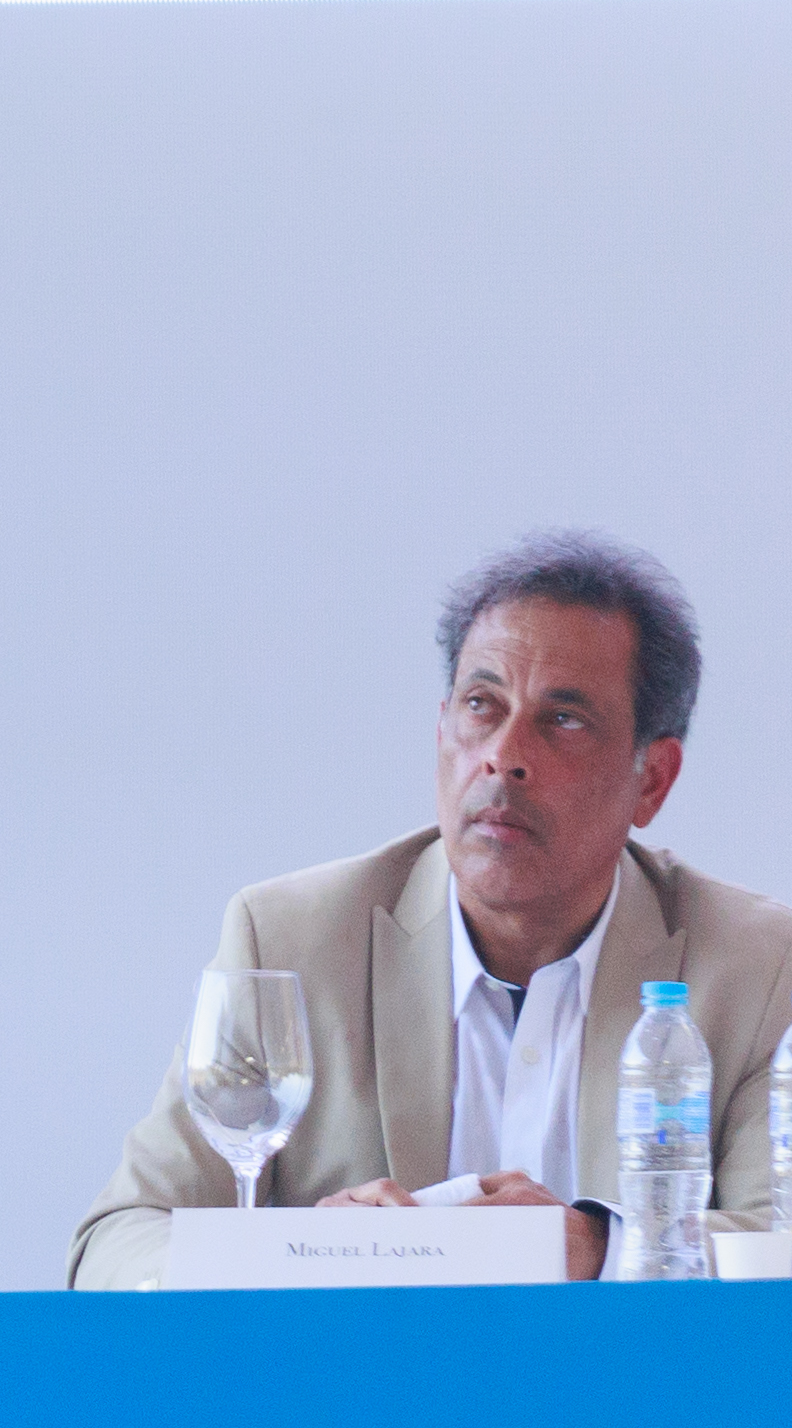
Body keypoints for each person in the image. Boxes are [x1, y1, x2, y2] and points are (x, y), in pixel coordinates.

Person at [71, 533, 792, 1288]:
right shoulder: (288, 941)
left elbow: (780, 1245)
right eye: (482, 706)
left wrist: (600, 1249)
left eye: (563, 720)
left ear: (653, 779)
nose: (503, 756)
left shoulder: (759, 969)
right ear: (442, 728)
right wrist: (299, 1254)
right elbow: (115, 1243)